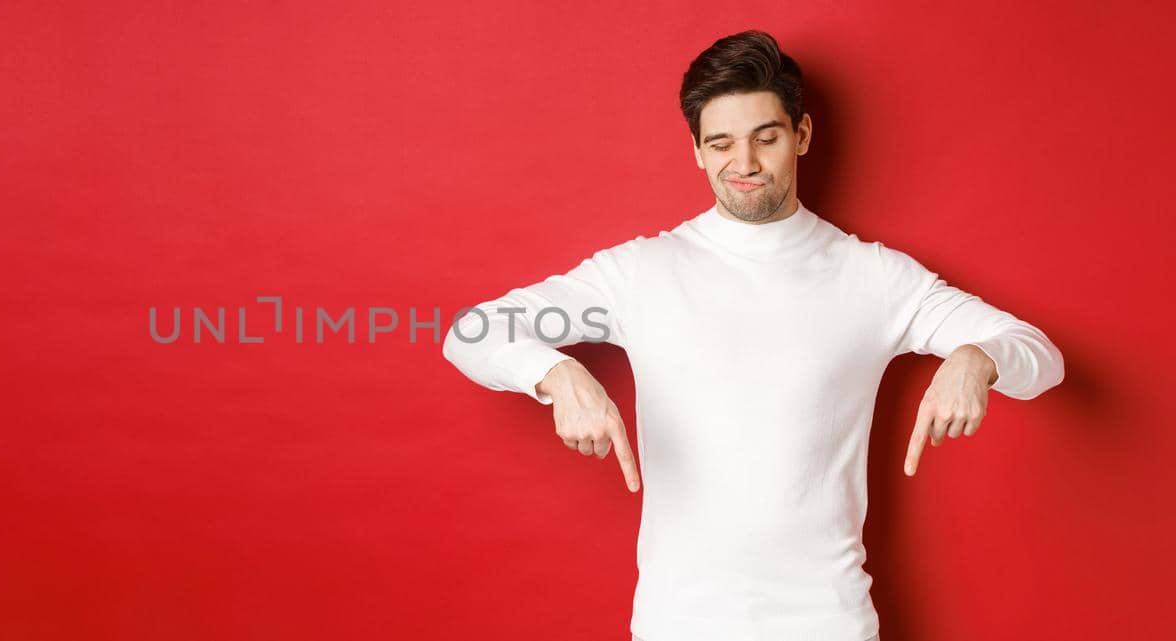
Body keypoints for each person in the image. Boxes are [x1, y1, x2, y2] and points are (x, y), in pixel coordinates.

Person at [440, 30, 1064, 641]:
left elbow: (1041, 356)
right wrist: (553, 374)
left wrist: (976, 357)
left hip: (829, 622)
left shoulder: (875, 278)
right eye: (721, 144)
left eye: (766, 138)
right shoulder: (639, 273)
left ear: (802, 135)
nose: (744, 164)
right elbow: (472, 331)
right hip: (678, 623)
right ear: (697, 151)